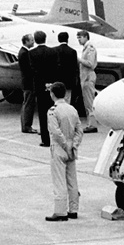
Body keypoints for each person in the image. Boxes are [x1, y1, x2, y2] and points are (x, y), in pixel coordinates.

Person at [46, 81, 83, 221]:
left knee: (59, 180)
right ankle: (74, 209)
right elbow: (79, 130)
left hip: (59, 148)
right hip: (72, 147)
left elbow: (55, 132)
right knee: (72, 180)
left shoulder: (53, 111)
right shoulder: (72, 109)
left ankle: (60, 211)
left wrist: (65, 145)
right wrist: (74, 145)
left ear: (53, 94)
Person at [28, 29, 57, 147]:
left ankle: (45, 139)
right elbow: (56, 67)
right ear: (45, 38)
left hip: (40, 86)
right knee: (54, 113)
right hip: (52, 86)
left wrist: (43, 82)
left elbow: (33, 70)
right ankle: (55, 137)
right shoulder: (53, 51)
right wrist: (50, 82)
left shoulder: (32, 53)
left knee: (42, 113)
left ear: (35, 40)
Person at [76, 29, 98, 132]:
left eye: (80, 38)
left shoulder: (90, 49)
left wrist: (79, 60)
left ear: (85, 37)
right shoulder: (85, 49)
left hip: (88, 77)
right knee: (87, 102)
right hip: (85, 77)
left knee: (89, 102)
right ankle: (91, 123)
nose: (79, 40)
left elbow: (90, 63)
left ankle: (92, 125)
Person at [16, 33, 37, 134]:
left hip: (26, 82)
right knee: (28, 104)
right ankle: (27, 126)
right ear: (27, 42)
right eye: (32, 40)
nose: (33, 42)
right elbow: (29, 70)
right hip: (28, 82)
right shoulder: (25, 53)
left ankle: (25, 125)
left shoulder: (23, 52)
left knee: (26, 103)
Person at [54, 30, 79, 111]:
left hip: (56, 80)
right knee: (67, 101)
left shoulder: (54, 50)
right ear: (67, 39)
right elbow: (75, 67)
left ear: (58, 39)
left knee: (56, 101)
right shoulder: (72, 51)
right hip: (68, 81)